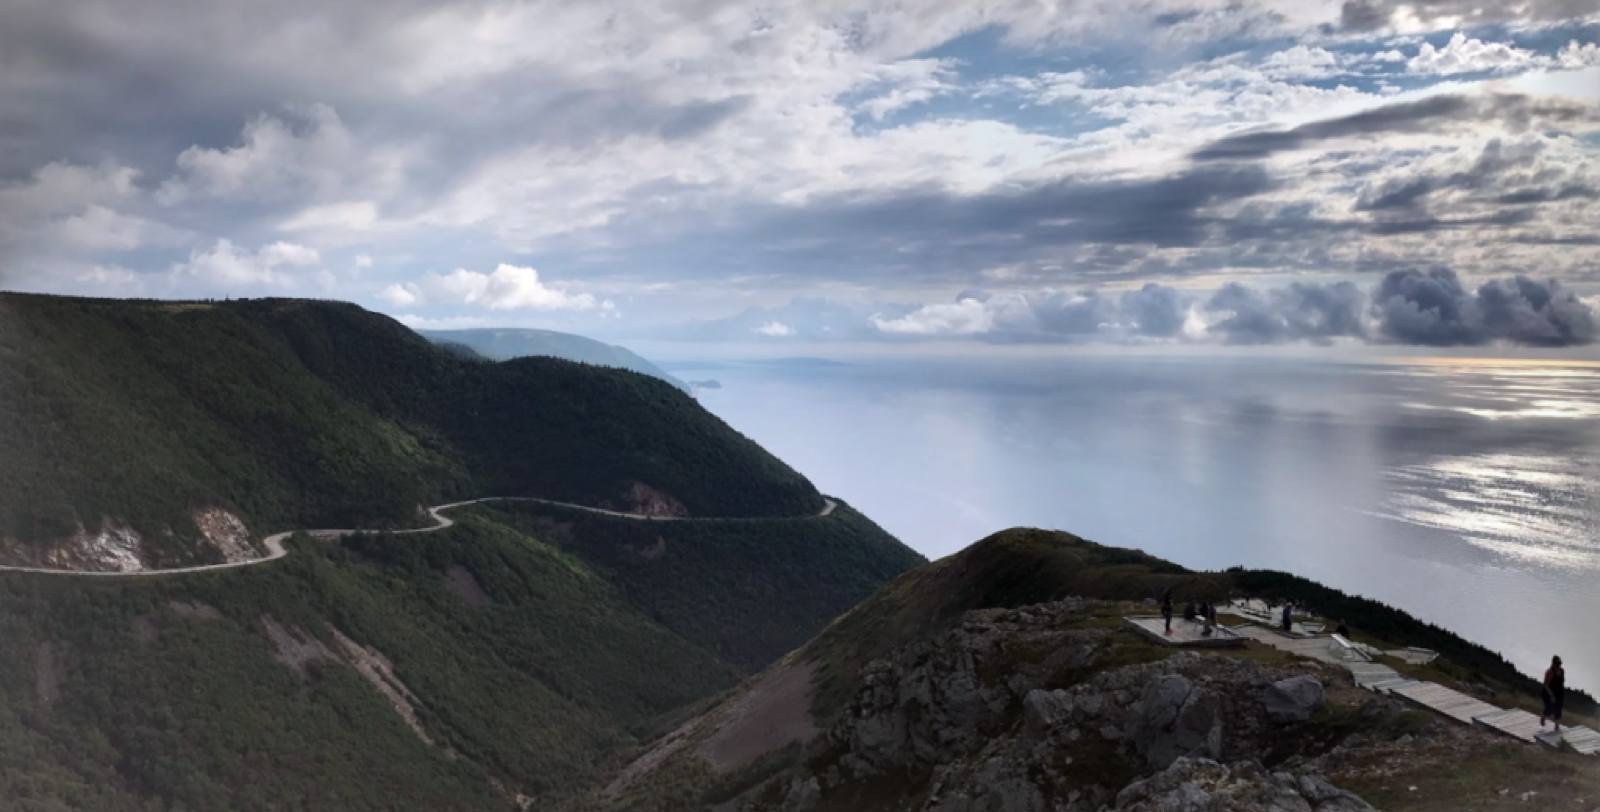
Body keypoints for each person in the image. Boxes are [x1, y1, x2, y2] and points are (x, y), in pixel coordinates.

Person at [1541, 656, 1566, 731]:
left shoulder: (1562, 671)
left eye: (1559, 663)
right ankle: (1543, 715)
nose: (1558, 665)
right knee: (1550, 709)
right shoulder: (1549, 672)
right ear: (1553, 663)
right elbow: (1545, 684)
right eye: (1557, 664)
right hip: (1548, 692)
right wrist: (1551, 695)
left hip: (1559, 693)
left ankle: (1557, 726)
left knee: (1558, 709)